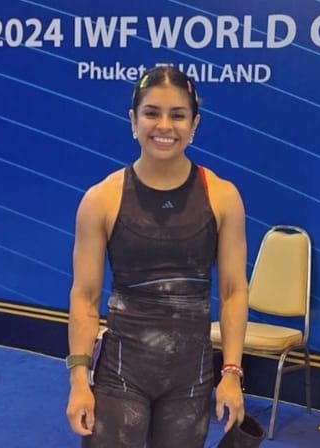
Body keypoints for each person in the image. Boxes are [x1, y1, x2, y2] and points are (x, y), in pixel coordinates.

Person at [65, 65, 249, 448]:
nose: (164, 126)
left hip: (191, 377)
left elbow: (233, 291)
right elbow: (84, 296)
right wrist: (79, 379)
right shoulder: (101, 200)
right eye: (152, 113)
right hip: (121, 373)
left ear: (194, 124)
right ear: (133, 120)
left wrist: (231, 373)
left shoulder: (223, 197)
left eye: (177, 115)